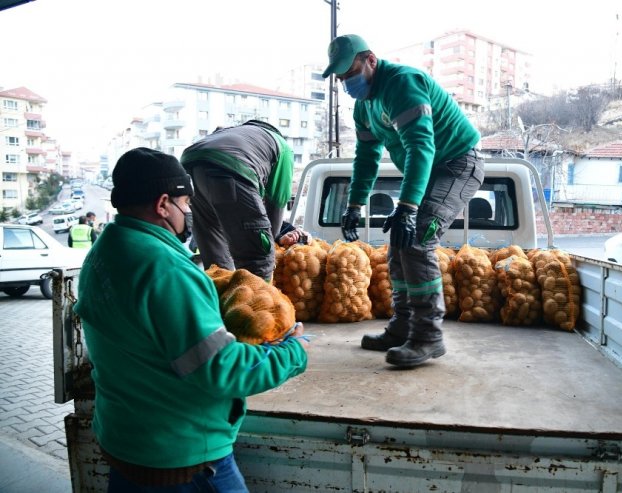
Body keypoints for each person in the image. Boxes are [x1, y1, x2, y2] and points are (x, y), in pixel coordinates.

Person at [73, 147, 309, 492]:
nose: (187, 213)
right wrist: (293, 351)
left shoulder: (103, 253)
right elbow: (219, 368)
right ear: (162, 204)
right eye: (185, 204)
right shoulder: (165, 270)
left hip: (125, 443)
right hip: (183, 458)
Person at [321, 34, 484, 368]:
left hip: (457, 163)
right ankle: (403, 326)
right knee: (399, 241)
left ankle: (428, 336)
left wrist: (407, 208)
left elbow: (420, 147)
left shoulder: (402, 85)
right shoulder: (364, 106)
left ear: (370, 59)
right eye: (340, 78)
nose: (345, 82)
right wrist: (354, 204)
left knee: (418, 237)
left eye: (349, 73)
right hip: (430, 168)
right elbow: (366, 156)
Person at [180, 120, 294, 281]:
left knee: (217, 264)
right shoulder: (282, 147)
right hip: (228, 167)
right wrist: (268, 240)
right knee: (258, 258)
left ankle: (219, 302)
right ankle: (257, 306)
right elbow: (277, 201)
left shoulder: (237, 134)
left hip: (189, 162)